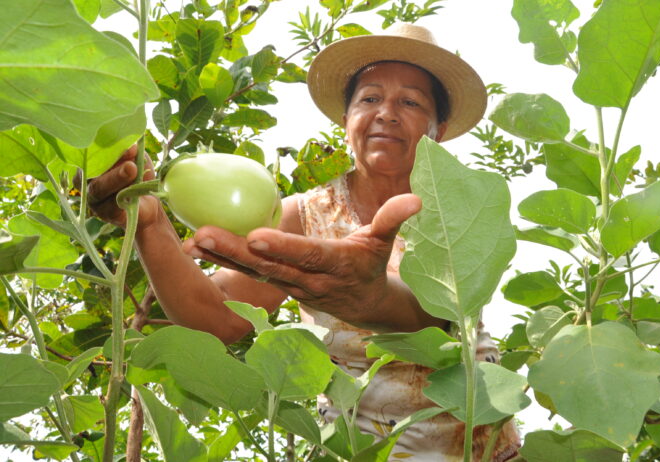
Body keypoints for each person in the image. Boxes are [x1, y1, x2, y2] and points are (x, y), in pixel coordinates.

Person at [86, 23, 520, 462]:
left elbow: (438, 314)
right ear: (347, 119)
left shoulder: (455, 207)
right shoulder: (302, 215)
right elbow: (219, 317)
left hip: (484, 450)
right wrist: (149, 226)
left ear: (437, 128)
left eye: (410, 102)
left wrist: (370, 299)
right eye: (369, 98)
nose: (387, 112)